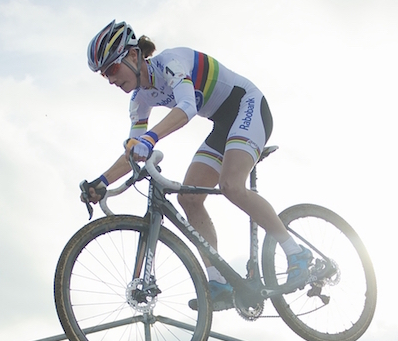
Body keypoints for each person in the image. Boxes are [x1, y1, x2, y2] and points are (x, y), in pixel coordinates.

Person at [82, 20, 315, 310]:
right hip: (223, 124)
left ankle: (296, 252)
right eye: (104, 75)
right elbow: (133, 152)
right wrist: (101, 182)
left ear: (132, 55)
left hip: (248, 106)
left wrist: (150, 139)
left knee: (231, 186)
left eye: (112, 69)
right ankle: (218, 282)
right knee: (189, 199)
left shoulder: (170, 63)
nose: (110, 80)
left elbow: (187, 107)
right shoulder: (139, 100)